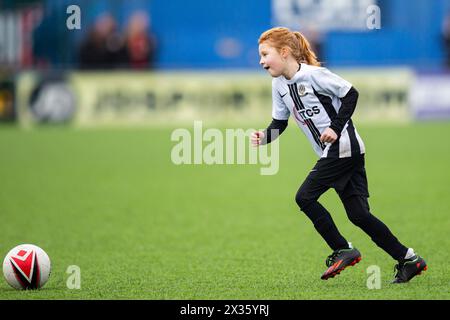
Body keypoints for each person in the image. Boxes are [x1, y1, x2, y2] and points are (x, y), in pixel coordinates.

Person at [251, 27, 427, 283]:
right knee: (359, 215)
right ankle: (409, 258)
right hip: (341, 153)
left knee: (304, 197)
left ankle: (342, 248)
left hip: (344, 149)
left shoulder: (314, 76)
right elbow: (280, 122)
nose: (261, 61)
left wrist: (334, 128)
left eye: (265, 54)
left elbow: (350, 94)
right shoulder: (278, 85)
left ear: (285, 52)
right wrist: (265, 136)